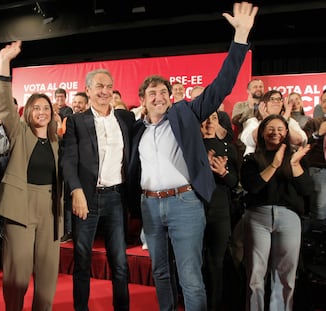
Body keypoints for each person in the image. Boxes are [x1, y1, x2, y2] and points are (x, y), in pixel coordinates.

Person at [127, 3, 258, 310]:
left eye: (163, 92)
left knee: (189, 275)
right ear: (142, 101)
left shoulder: (185, 114)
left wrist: (240, 36)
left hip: (184, 204)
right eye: (151, 94)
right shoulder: (136, 130)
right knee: (160, 272)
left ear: (170, 97)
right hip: (150, 205)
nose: (158, 97)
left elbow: (221, 86)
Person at [0, 40, 63, 310]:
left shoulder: (57, 141)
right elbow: (4, 104)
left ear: (52, 113)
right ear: (28, 112)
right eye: (36, 107)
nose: (41, 112)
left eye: (46, 108)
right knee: (17, 273)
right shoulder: (19, 133)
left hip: (50, 208)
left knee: (47, 273)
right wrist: (4, 61)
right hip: (19, 206)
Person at [61, 68, 135, 311]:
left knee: (120, 262)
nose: (105, 91)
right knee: (82, 261)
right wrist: (76, 191)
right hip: (86, 199)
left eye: (108, 86)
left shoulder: (125, 119)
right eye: (99, 86)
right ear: (89, 90)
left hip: (116, 197)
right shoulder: (76, 121)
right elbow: (68, 160)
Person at [240, 114, 313, 311]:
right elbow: (253, 186)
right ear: (262, 133)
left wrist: (294, 165)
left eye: (281, 129)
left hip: (289, 218)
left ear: (287, 133)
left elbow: (306, 189)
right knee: (255, 275)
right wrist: (274, 165)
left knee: (285, 275)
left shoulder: (296, 158)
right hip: (258, 217)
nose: (276, 133)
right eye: (271, 128)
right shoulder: (251, 159)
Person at [200, 112, 239, 311]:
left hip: (220, 211)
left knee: (216, 261)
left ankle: (214, 305)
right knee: (195, 261)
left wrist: (223, 172)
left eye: (213, 118)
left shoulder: (227, 148)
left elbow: (235, 183)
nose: (208, 122)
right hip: (193, 210)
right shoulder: (191, 149)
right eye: (205, 118)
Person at [60, 91, 89, 244]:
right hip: (70, 167)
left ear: (87, 104)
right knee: (67, 201)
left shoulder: (91, 122)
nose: (77, 105)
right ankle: (69, 231)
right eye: (75, 102)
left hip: (85, 170)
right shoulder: (68, 120)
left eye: (80, 102)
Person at [240, 90, 307, 156]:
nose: (276, 101)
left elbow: (300, 141)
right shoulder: (253, 121)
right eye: (272, 99)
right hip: (257, 161)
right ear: (264, 103)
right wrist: (266, 121)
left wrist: (283, 120)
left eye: (279, 99)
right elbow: (250, 141)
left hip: (284, 161)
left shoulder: (290, 121)